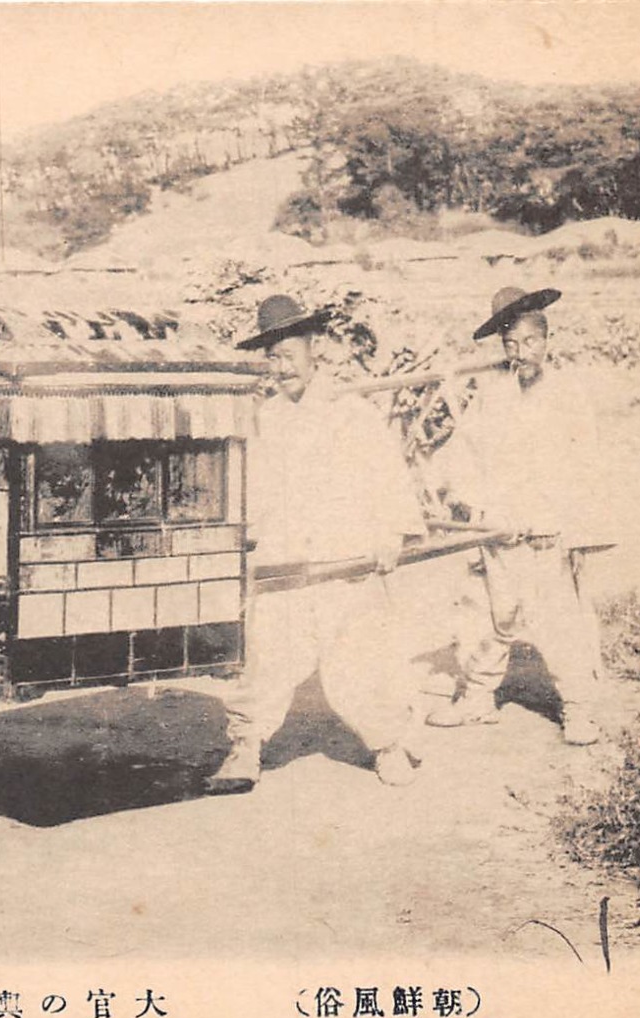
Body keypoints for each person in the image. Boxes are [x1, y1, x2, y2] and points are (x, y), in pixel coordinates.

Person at [207, 295, 427, 794]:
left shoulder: (354, 413)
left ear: (314, 350)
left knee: (360, 657)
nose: (280, 367)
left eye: (288, 354)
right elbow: (252, 487)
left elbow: (387, 477)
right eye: (272, 357)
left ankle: (389, 745)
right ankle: (245, 748)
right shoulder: (266, 418)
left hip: (343, 555)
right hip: (284, 559)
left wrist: (391, 534)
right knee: (263, 656)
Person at [424, 287, 614, 745]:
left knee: (556, 619)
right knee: (489, 615)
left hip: (545, 529)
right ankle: (477, 697)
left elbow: (585, 464)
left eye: (530, 343)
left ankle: (579, 707)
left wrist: (571, 527)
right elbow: (464, 451)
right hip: (498, 528)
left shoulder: (567, 394)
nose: (521, 353)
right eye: (511, 345)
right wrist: (460, 495)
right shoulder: (492, 394)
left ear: (546, 341)